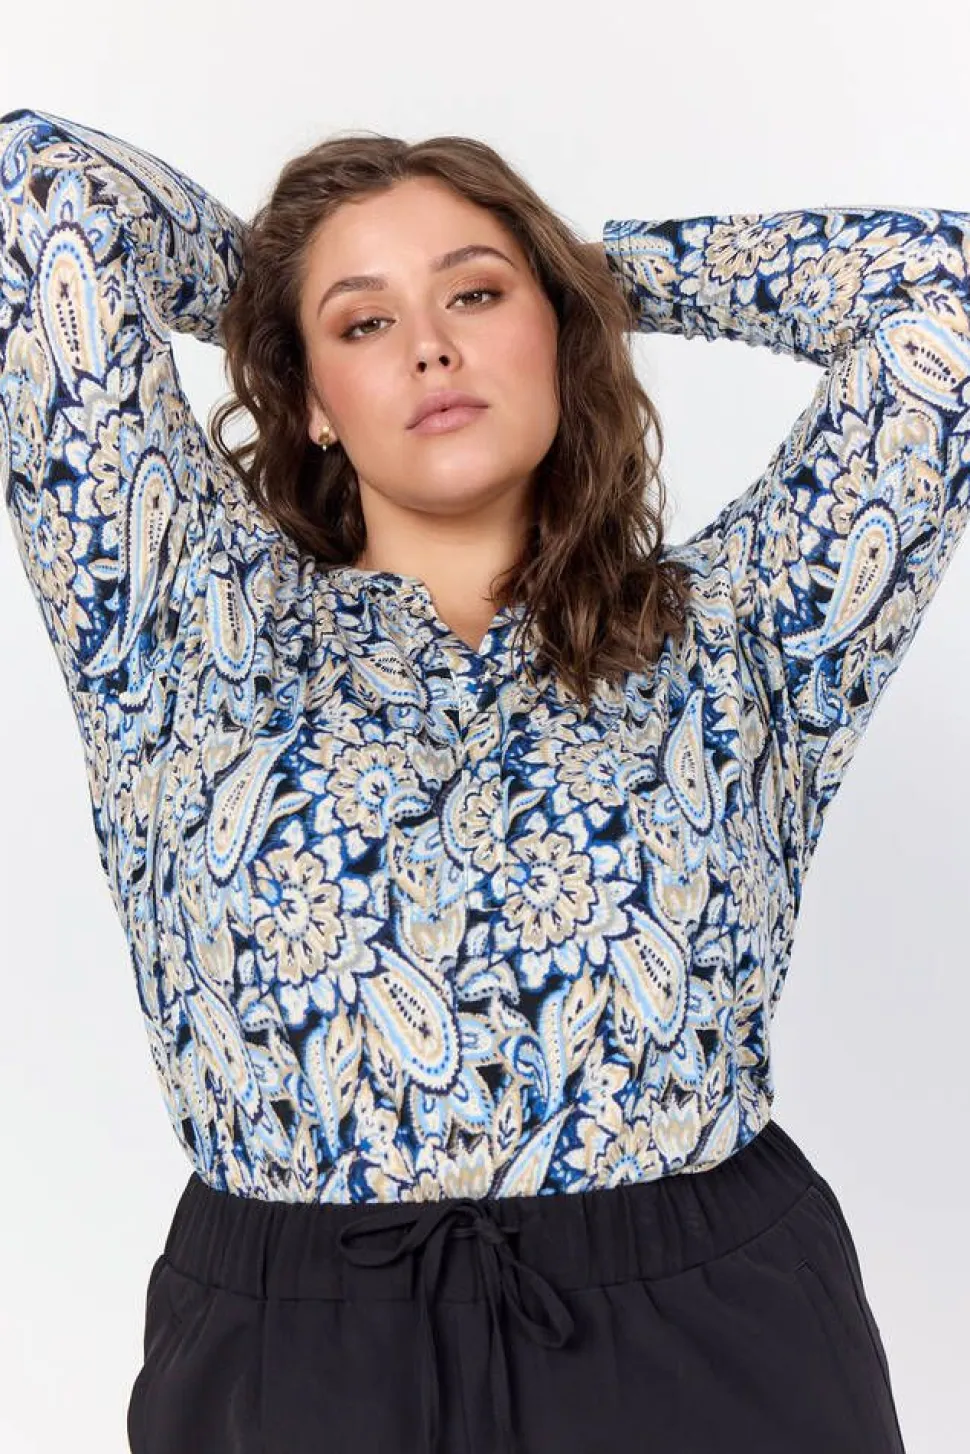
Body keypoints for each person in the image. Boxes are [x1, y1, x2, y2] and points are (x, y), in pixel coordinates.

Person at [2, 104, 958, 1454]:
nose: (430, 345)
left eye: (477, 293)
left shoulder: (746, 635)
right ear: (308, 400)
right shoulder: (182, 628)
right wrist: (271, 296)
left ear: (556, 335)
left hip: (709, 1339)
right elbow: (37, 189)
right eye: (363, 323)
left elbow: (940, 299)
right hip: (298, 1363)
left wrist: (593, 273)